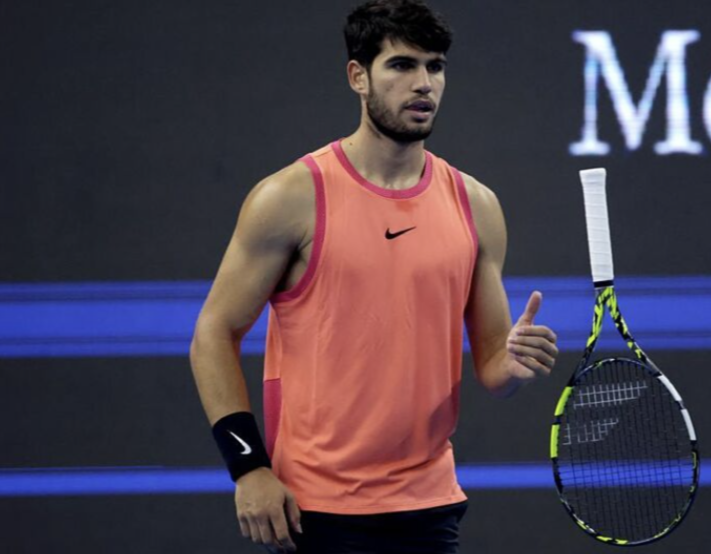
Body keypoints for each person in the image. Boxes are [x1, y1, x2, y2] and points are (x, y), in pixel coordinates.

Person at [189, 1, 559, 552]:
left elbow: (491, 369)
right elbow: (212, 334)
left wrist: (516, 362)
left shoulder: (476, 205)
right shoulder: (290, 198)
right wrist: (248, 468)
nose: (423, 84)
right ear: (357, 76)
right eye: (401, 65)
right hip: (314, 510)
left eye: (435, 66)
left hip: (428, 507)